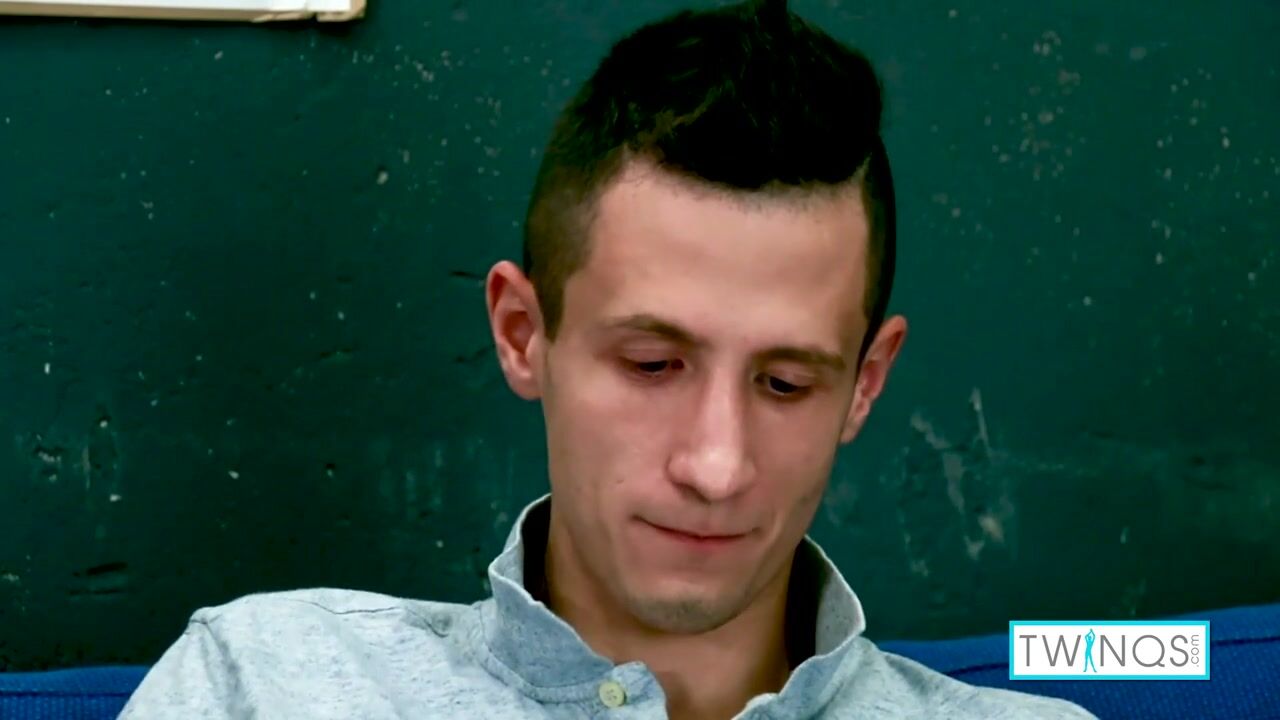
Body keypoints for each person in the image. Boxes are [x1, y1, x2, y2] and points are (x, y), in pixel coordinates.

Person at [119, 1, 1096, 718]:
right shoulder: (262, 683)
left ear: (865, 385)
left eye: (784, 383)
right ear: (521, 333)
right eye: (652, 365)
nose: (716, 467)